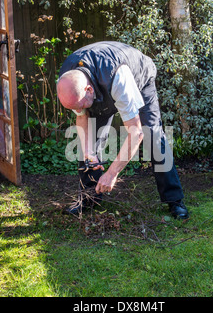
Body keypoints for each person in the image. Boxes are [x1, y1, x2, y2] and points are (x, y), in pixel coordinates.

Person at [57, 41, 189, 219]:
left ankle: (175, 201)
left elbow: (136, 132)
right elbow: (82, 117)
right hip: (99, 87)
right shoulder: (69, 81)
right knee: (87, 143)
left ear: (88, 90)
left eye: (80, 105)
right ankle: (89, 197)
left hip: (139, 79)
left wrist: (112, 173)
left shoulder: (119, 78)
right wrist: (89, 151)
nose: (78, 109)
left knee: (152, 135)